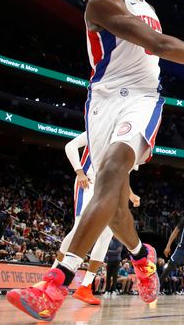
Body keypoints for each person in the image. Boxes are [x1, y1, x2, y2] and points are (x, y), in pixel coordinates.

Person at [7, 0, 184, 321]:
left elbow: (155, 50)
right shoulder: (102, 3)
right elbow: (158, 44)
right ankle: (141, 257)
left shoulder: (149, 8)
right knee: (115, 205)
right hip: (103, 102)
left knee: (113, 171)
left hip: (142, 98)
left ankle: (55, 283)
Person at [53, 131, 140, 305]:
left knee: (107, 235)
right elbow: (70, 146)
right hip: (88, 182)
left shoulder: (131, 140)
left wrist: (130, 194)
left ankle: (85, 286)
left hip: (109, 187)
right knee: (80, 228)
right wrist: (79, 172)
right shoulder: (101, 126)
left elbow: (123, 173)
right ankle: (52, 276)